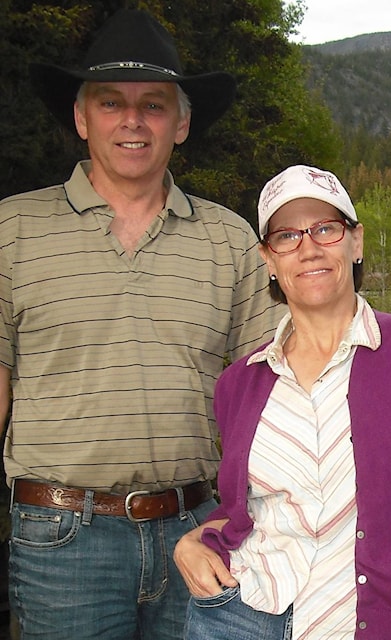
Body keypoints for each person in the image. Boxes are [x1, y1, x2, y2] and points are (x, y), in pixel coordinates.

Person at [0, 9, 278, 639]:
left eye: (153, 105)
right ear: (80, 117)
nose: (132, 121)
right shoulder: (10, 231)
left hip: (200, 533)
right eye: (110, 102)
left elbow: (264, 401)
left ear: (181, 123)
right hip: (62, 542)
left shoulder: (231, 240)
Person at [173, 165, 391, 640]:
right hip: (238, 614)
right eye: (287, 236)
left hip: (364, 623)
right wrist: (192, 542)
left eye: (326, 229)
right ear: (268, 259)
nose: (309, 247)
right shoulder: (240, 383)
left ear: (355, 242)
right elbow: (250, 507)